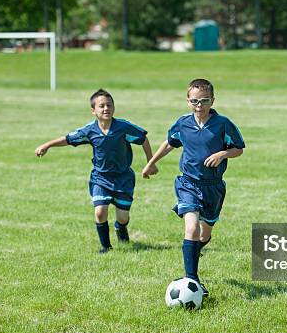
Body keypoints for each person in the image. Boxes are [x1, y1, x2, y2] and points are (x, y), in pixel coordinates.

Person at [141, 79, 245, 296]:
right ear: (188, 101)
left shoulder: (223, 124)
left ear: (212, 100)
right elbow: (170, 143)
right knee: (191, 228)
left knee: (203, 235)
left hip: (213, 187)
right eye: (195, 101)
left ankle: (195, 254)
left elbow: (239, 148)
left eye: (204, 101)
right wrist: (151, 163)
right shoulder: (182, 123)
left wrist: (223, 153)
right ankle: (192, 280)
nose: (199, 106)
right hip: (188, 183)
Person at [35, 89, 155, 253]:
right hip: (101, 178)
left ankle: (121, 228)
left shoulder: (123, 127)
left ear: (114, 107)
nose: (106, 108)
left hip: (123, 178)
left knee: (123, 217)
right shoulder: (90, 130)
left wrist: (150, 162)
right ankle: (106, 247)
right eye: (101, 106)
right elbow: (68, 139)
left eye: (109, 105)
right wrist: (47, 145)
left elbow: (143, 138)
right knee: (100, 212)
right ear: (93, 111)